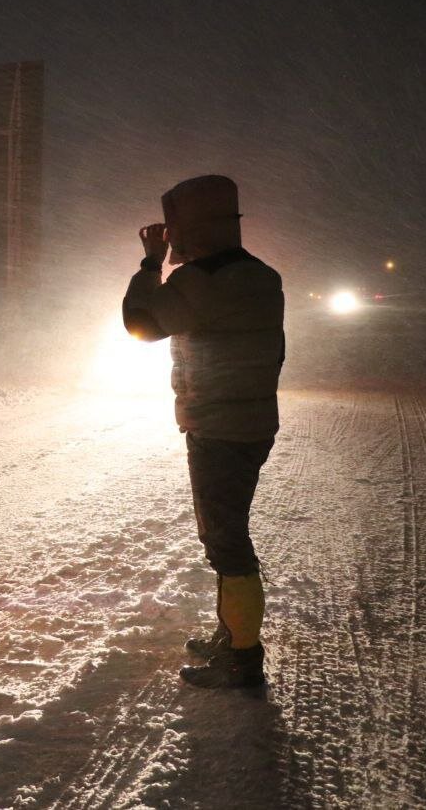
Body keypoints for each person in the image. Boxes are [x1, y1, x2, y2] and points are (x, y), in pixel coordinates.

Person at [122, 175, 284, 688]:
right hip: (252, 421)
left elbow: (139, 323)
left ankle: (242, 657)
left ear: (189, 230)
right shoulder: (261, 273)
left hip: (217, 427)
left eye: (174, 231)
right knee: (228, 535)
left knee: (226, 543)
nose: (172, 240)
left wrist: (151, 263)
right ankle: (230, 634)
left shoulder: (201, 279)